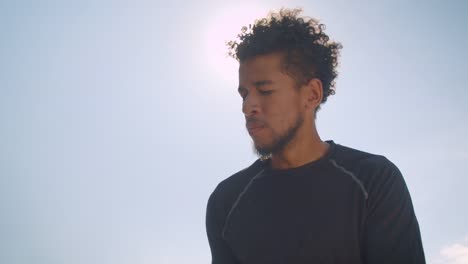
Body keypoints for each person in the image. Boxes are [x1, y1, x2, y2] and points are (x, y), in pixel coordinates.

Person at [205, 8, 425, 264]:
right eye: (244, 94)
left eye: (265, 91)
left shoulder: (374, 180)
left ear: (311, 94)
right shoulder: (226, 200)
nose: (248, 106)